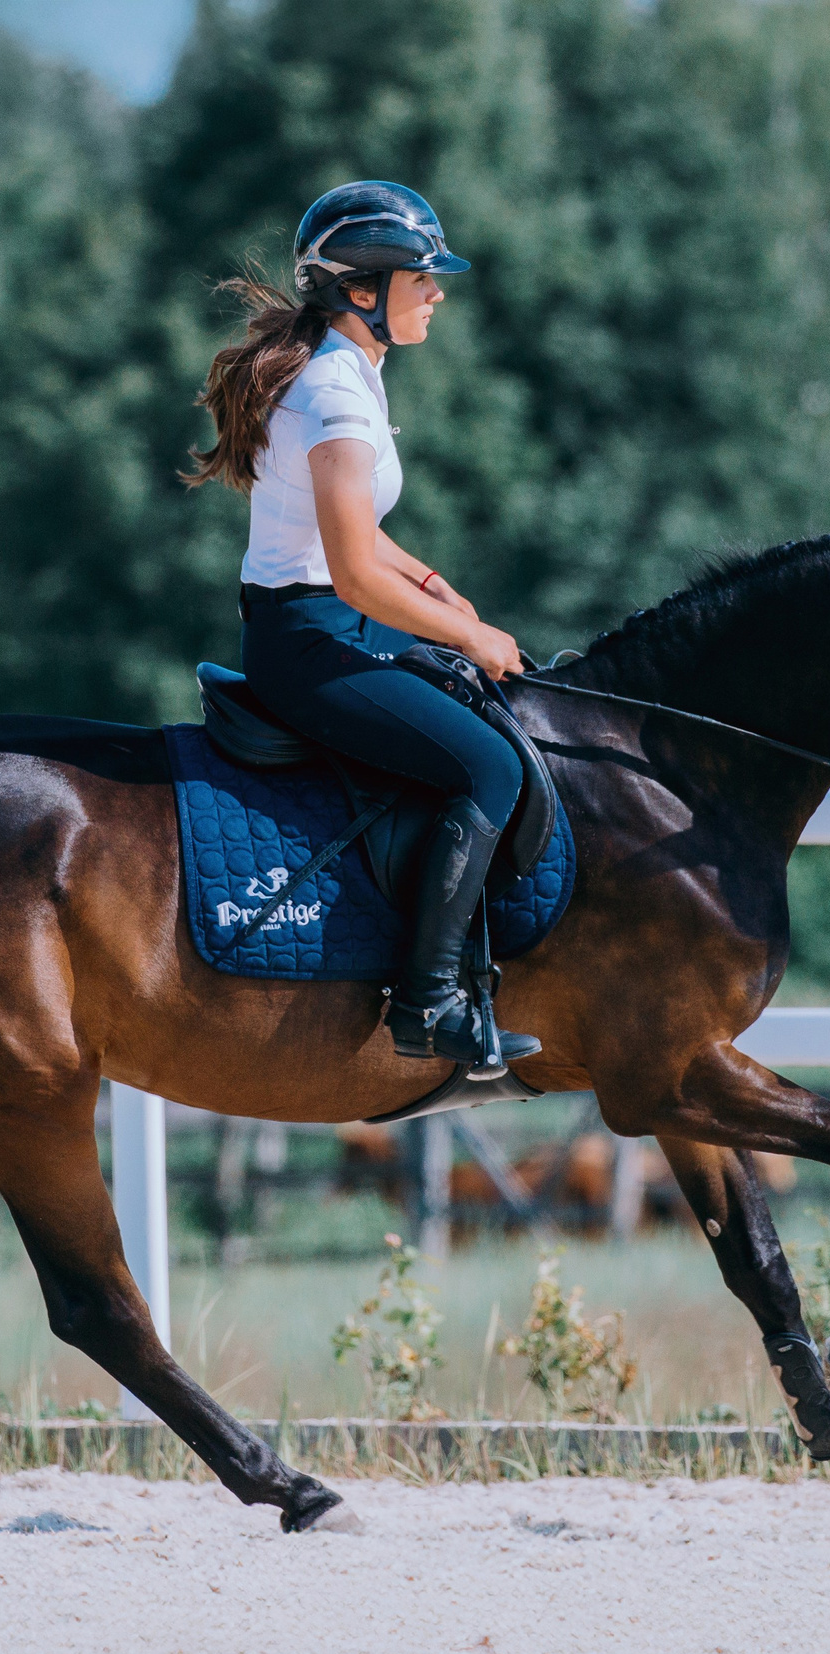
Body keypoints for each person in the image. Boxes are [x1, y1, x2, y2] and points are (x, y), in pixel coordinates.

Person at [185, 180, 539, 1071]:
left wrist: (435, 584)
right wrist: (470, 636)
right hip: (308, 642)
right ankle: (429, 1003)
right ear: (361, 289)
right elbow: (347, 569)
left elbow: (358, 537)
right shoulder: (335, 394)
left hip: (327, 625)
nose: (438, 293)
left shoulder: (351, 371)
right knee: (490, 766)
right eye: (423, 277)